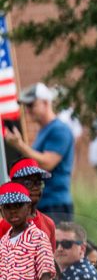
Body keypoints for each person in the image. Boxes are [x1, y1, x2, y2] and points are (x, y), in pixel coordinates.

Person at [3, 83, 75, 220]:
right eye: (26, 106)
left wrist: (20, 145)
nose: (28, 110)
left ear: (46, 102)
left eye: (31, 105)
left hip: (56, 205)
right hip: (42, 204)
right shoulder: (44, 130)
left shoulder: (60, 130)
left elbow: (48, 163)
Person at [1, 159, 56, 249]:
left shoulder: (49, 223)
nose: (35, 187)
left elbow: (51, 258)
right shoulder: (6, 224)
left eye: (38, 183)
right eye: (28, 183)